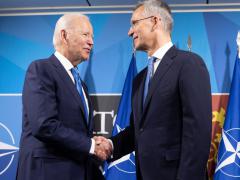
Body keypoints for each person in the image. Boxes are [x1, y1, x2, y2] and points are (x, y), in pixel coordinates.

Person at [96, 0, 212, 180]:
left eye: (134, 23)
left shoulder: (189, 64)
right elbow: (138, 131)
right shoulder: (139, 79)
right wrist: (111, 145)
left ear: (155, 21)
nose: (129, 32)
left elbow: (198, 134)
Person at [16, 13, 110, 180]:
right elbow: (44, 125)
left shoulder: (81, 84)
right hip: (47, 173)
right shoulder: (41, 69)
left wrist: (93, 144)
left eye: (92, 36)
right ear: (64, 35)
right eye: (85, 34)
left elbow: (77, 132)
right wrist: (90, 145)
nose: (91, 42)